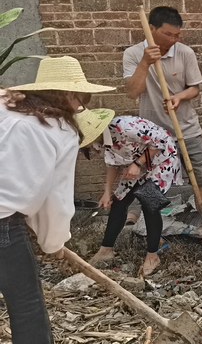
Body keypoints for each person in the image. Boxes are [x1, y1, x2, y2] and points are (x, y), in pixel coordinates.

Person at [1, 56, 114, 344]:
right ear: (70, 94)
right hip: (2, 222)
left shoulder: (5, 106)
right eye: (82, 100)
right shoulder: (60, 130)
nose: (81, 107)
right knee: (26, 306)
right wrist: (53, 243)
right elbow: (55, 200)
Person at [123, 6, 202, 218]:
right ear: (151, 29)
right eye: (168, 34)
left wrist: (179, 97)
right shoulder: (133, 54)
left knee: (201, 178)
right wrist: (145, 62)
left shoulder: (185, 52)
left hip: (187, 130)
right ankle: (150, 224)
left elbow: (194, 88)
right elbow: (133, 92)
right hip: (151, 136)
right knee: (148, 180)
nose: (173, 39)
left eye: (177, 35)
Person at [83, 112, 182, 276]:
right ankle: (106, 249)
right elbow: (113, 164)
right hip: (137, 163)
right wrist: (107, 191)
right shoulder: (98, 142)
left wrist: (137, 163)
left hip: (161, 158)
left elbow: (160, 142)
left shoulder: (125, 127)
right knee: (119, 200)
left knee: (149, 201)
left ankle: (152, 256)